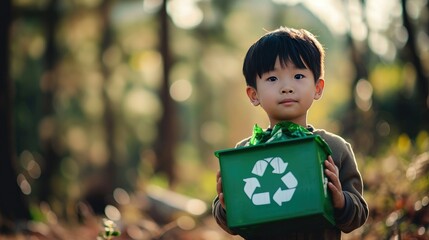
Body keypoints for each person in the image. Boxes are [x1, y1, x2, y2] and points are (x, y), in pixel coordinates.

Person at [212, 26, 369, 239]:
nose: (286, 87)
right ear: (253, 94)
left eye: (298, 75)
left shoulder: (334, 148)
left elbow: (358, 214)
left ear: (318, 88)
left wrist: (341, 201)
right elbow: (232, 224)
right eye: (272, 79)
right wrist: (226, 207)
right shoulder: (246, 154)